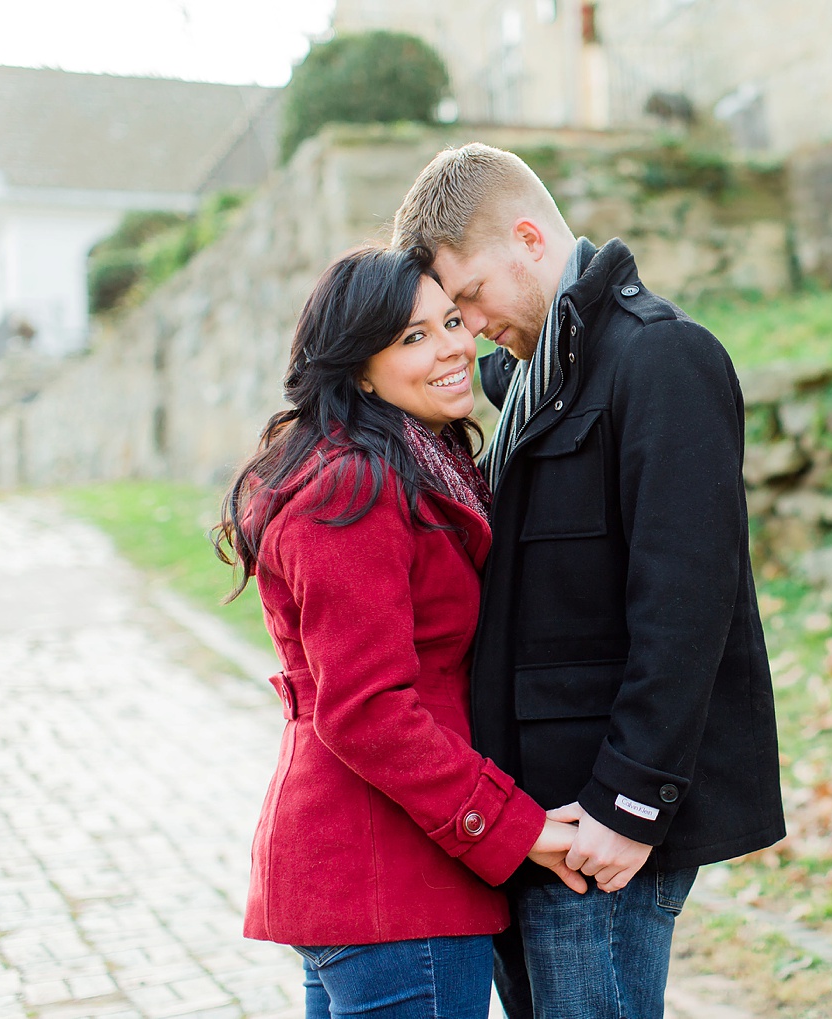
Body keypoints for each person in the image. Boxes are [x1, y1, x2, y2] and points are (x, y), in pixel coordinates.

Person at [392, 144, 785, 1019]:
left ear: (528, 237)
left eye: (467, 299)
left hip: (600, 825)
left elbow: (686, 604)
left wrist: (628, 801)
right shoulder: (534, 377)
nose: (467, 326)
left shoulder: (663, 359)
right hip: (532, 821)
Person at [215, 245, 585, 1019]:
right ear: (358, 369)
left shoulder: (411, 458)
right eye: (413, 337)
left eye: (452, 320)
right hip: (388, 876)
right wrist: (515, 828)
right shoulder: (352, 483)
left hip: (379, 874)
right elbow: (367, 708)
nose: (453, 345)